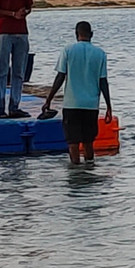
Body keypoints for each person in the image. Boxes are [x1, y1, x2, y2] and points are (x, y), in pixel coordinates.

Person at [42, 21, 113, 165]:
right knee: (88, 141)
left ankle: (75, 171)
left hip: (71, 104)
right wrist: (109, 106)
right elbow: (103, 82)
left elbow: (60, 77)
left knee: (72, 142)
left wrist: (49, 99)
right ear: (91, 35)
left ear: (76, 34)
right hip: (91, 105)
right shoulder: (100, 53)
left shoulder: (68, 50)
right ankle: (89, 170)